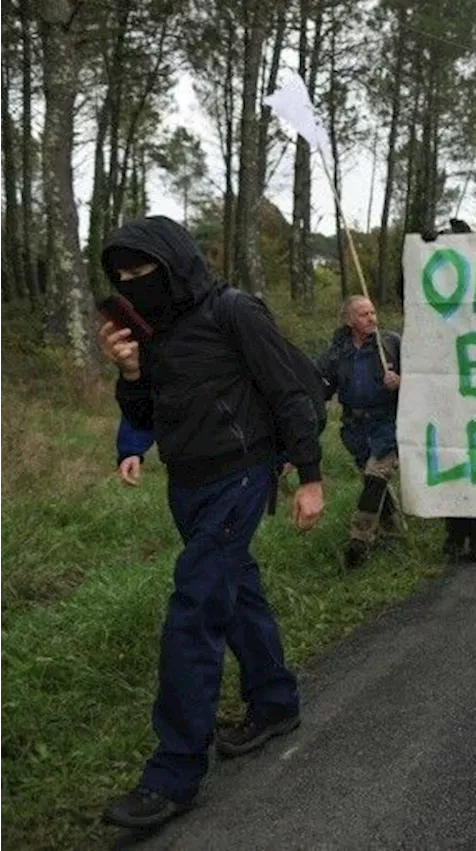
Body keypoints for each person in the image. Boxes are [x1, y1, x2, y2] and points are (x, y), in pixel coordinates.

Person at [96, 215, 323, 830]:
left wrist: (309, 477)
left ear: (175, 263)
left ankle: (174, 771)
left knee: (194, 610)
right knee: (237, 592)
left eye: (144, 270)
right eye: (121, 276)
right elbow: (151, 408)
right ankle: (275, 703)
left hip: (241, 474)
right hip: (186, 482)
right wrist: (130, 381)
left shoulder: (234, 311)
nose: (133, 282)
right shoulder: (152, 330)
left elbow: (288, 393)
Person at [419, 217, 476, 562]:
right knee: (451, 458)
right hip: (445, 388)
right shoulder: (436, 291)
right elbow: (410, 295)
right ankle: (456, 531)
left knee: (474, 460)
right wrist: (424, 250)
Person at [316, 295, 404, 570]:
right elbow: (320, 385)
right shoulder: (337, 352)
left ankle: (359, 541)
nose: (372, 319)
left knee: (376, 478)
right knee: (373, 483)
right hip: (355, 428)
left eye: (373, 312)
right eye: (364, 314)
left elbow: (423, 376)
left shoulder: (390, 344)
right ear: (349, 320)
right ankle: (395, 532)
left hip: (387, 424)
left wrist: (401, 381)